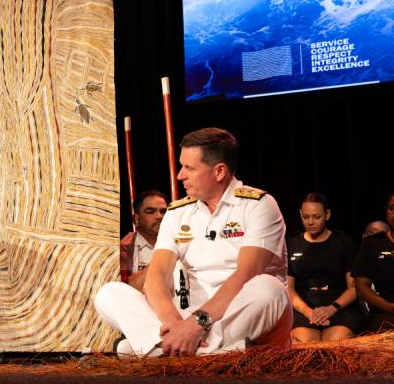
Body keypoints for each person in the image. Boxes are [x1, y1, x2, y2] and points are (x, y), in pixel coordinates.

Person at [95, 127, 292, 357]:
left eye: (188, 168)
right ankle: (205, 353)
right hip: (187, 321)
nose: (180, 175)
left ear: (219, 171)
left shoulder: (259, 205)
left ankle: (157, 349)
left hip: (242, 316)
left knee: (269, 289)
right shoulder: (178, 212)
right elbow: (156, 275)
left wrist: (197, 324)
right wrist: (176, 327)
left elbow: (246, 274)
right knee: (109, 294)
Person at [286, 193, 362, 342]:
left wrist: (331, 309)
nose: (311, 222)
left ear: (327, 215)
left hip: (339, 307)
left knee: (335, 343)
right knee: (306, 344)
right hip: (303, 309)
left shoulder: (344, 242)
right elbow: (289, 289)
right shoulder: (291, 244)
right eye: (306, 217)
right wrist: (309, 312)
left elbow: (354, 287)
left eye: (316, 217)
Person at [352, 192, 394, 332]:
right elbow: (362, 287)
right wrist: (389, 307)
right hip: (385, 311)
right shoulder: (372, 244)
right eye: (391, 208)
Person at [120, 190, 169, 291]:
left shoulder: (179, 242)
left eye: (163, 211)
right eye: (150, 212)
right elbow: (121, 289)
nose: (159, 216)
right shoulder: (125, 248)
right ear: (136, 220)